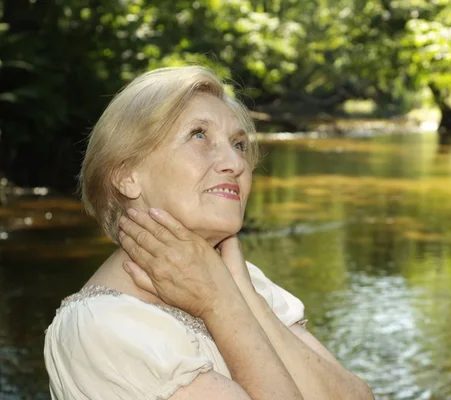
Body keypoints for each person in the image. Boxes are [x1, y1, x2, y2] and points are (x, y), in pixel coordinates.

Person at [43, 66, 374, 400]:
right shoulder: (102, 328)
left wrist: (239, 291)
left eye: (239, 144)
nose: (236, 163)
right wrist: (223, 304)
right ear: (127, 174)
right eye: (199, 135)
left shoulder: (244, 280)